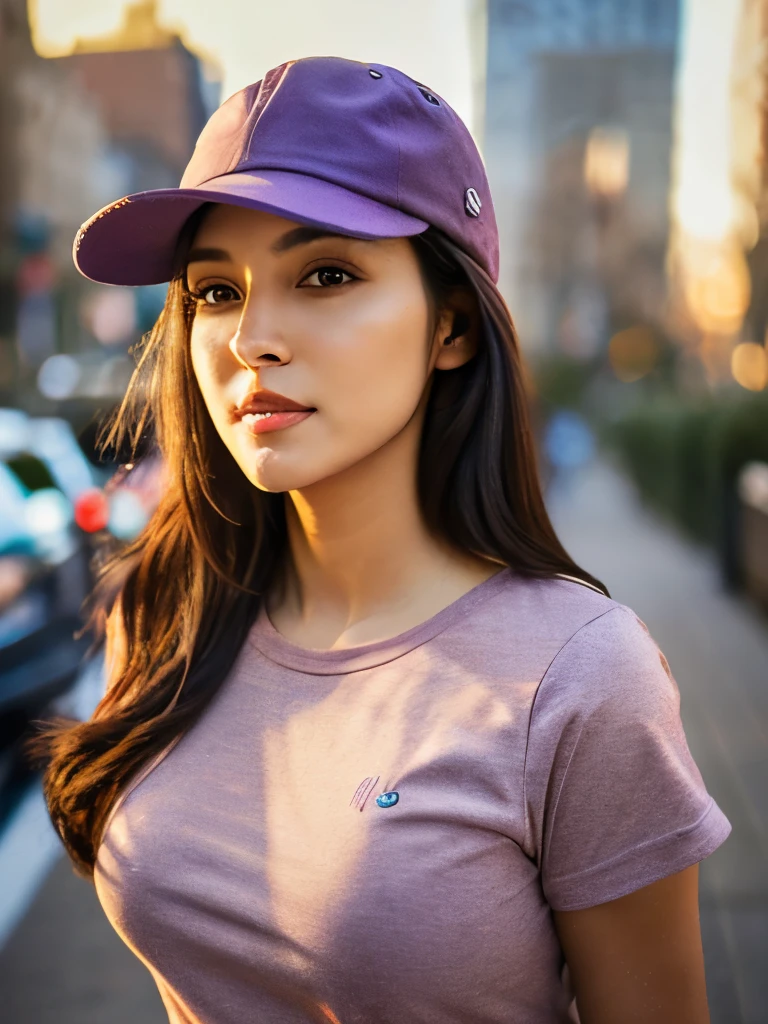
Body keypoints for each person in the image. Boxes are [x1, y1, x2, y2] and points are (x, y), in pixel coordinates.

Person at [32, 57, 731, 1024]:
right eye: (216, 292)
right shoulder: (165, 610)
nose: (250, 340)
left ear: (452, 324)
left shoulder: (578, 680)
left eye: (325, 275)